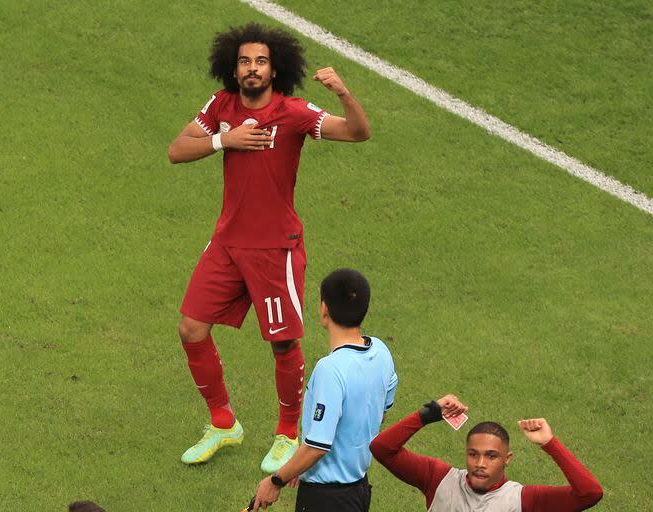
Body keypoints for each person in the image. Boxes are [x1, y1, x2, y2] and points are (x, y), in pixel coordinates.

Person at [168, 22, 371, 473]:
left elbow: (358, 132)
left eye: (260, 61)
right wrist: (225, 139)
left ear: (274, 68)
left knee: (282, 344)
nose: (252, 69)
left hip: (274, 250)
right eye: (244, 62)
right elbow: (177, 150)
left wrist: (343, 92)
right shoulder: (221, 106)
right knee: (191, 328)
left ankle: (286, 433)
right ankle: (223, 424)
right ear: (233, 68)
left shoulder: (293, 112)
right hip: (227, 243)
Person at [251, 269, 398, 511]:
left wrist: (275, 481)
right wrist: (303, 464)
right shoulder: (381, 352)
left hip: (326, 500)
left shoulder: (330, 370)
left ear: (323, 309)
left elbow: (317, 447)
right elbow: (380, 411)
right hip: (359, 490)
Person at [370, 394, 603, 511]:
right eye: (473, 454)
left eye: (491, 456)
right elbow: (382, 448)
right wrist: (427, 415)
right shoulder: (438, 478)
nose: (480, 463)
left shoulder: (523, 500)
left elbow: (589, 493)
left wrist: (550, 443)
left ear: (506, 460)